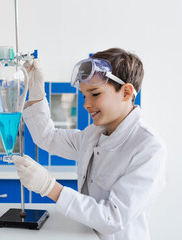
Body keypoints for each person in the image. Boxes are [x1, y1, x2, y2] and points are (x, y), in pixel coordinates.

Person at [12, 48, 166, 239]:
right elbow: (48, 137)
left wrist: (49, 188)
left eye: (95, 94)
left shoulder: (148, 147)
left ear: (126, 92)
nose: (86, 104)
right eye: (84, 95)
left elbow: (113, 217)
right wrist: (36, 90)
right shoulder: (93, 135)